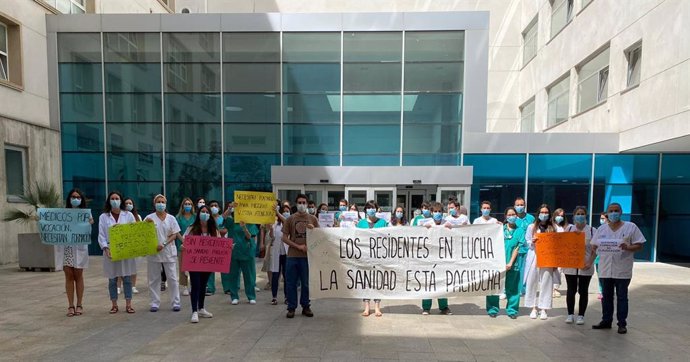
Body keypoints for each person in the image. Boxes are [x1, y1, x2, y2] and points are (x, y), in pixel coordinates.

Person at [591, 202, 646, 334]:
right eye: (611, 211)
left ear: (621, 213)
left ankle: (622, 324)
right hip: (605, 268)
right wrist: (595, 248)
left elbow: (639, 245)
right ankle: (606, 320)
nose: (614, 213)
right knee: (606, 296)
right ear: (607, 213)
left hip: (622, 269)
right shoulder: (602, 229)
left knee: (622, 297)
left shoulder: (630, 227)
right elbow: (594, 245)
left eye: (616, 210)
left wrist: (628, 247)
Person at [98, 191, 136, 314]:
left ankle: (128, 304)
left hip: (125, 249)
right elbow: (101, 235)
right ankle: (114, 304)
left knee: (127, 278)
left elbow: (134, 231)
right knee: (112, 279)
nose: (115, 200)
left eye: (117, 198)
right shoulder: (103, 217)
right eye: (112, 198)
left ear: (121, 200)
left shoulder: (128, 215)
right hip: (110, 250)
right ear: (109, 201)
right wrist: (105, 248)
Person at [282, 194, 319, 318]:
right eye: (299, 202)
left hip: (307, 257)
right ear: (296, 204)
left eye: (304, 202)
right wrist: (297, 246)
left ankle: (306, 306)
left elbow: (320, 237)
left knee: (306, 283)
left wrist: (313, 230)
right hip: (292, 256)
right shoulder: (290, 219)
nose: (301, 205)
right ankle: (291, 307)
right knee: (291, 282)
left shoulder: (313, 219)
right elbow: (284, 238)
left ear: (307, 204)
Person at [57, 188, 93, 317]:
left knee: (78, 275)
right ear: (69, 199)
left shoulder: (86, 214)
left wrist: (90, 223)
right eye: (73, 197)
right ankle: (70, 305)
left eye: (78, 197)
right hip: (67, 248)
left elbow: (88, 231)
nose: (75, 199)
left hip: (79, 248)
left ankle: (79, 304)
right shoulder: (63, 213)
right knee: (69, 276)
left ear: (81, 199)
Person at [144, 194, 181, 312]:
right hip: (153, 252)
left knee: (172, 278)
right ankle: (154, 302)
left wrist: (164, 244)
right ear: (154, 204)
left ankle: (176, 302)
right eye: (158, 202)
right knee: (154, 278)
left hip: (168, 251)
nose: (160, 204)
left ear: (166, 204)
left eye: (162, 202)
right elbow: (141, 234)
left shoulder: (171, 218)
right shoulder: (149, 218)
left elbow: (175, 234)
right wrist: (146, 225)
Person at [486, 207, 524, 319]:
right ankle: (492, 309)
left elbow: (518, 247)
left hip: (513, 264)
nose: (511, 217)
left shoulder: (520, 230)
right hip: (497, 263)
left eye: (513, 215)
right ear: (505, 217)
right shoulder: (500, 229)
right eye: (509, 215)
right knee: (494, 287)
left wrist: (510, 263)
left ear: (516, 216)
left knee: (512, 288)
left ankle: (512, 310)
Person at [183, 205, 217, 323]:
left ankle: (201, 308)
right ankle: (194, 311)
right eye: (202, 211)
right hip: (194, 262)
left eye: (207, 212)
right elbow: (185, 240)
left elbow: (218, 244)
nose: (205, 213)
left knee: (203, 285)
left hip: (207, 262)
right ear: (198, 214)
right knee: (196, 285)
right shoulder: (192, 228)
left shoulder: (213, 229)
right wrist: (184, 246)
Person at [563, 206, 597, 325]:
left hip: (586, 265)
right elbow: (562, 246)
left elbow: (595, 249)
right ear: (574, 216)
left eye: (582, 213)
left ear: (586, 215)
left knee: (583, 290)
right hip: (570, 266)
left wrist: (590, 262)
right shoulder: (569, 229)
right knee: (571, 290)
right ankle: (570, 314)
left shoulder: (592, 230)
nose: (580, 216)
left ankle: (581, 315)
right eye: (578, 213)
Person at [524, 204, 557, 320]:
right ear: (538, 214)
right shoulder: (531, 227)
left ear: (549, 214)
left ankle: (544, 308)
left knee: (546, 282)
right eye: (542, 212)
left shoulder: (553, 227)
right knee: (532, 281)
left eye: (546, 212)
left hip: (548, 258)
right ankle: (533, 307)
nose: (544, 215)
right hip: (534, 256)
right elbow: (527, 241)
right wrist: (532, 242)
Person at [356, 200, 388, 317]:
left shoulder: (383, 222)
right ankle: (366, 307)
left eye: (373, 207)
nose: (371, 210)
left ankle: (377, 307)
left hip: (379, 257)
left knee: (378, 281)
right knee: (365, 282)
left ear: (376, 209)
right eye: (369, 208)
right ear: (365, 210)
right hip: (364, 256)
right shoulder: (360, 223)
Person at [421, 202, 453, 315]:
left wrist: (452, 229)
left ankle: (444, 307)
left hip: (443, 258)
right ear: (431, 212)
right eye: (435, 211)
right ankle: (426, 307)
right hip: (429, 258)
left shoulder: (447, 223)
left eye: (439, 211)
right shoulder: (427, 224)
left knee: (442, 283)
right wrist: (424, 230)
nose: (437, 213)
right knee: (428, 282)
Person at [224, 206, 260, 305]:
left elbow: (250, 236)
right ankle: (234, 296)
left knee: (249, 275)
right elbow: (221, 220)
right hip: (234, 251)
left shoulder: (250, 222)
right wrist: (229, 209)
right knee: (233, 275)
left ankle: (251, 296)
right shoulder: (231, 221)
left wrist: (244, 227)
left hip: (247, 251)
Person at [118, 198, 142, 295]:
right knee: (120, 267)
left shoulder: (138, 217)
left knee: (133, 267)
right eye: (126, 203)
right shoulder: (120, 216)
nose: (128, 205)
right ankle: (118, 286)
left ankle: (133, 286)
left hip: (134, 246)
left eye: (130, 203)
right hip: (122, 245)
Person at [269, 206, 289, 305]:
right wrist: (271, 229)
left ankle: (286, 297)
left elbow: (286, 221)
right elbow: (271, 237)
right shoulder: (274, 223)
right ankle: (274, 297)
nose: (286, 213)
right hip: (276, 252)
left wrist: (278, 212)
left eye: (287, 211)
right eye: (284, 211)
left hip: (286, 252)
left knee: (286, 275)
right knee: (275, 275)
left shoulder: (289, 222)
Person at [175, 197, 196, 296]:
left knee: (193, 266)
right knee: (183, 266)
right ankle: (184, 286)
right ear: (182, 206)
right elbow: (176, 231)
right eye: (186, 204)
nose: (188, 206)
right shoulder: (178, 217)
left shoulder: (195, 217)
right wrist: (183, 241)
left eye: (190, 204)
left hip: (194, 246)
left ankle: (193, 285)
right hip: (182, 245)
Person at [206, 200, 226, 295]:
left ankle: (227, 288)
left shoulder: (223, 218)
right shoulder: (207, 219)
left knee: (224, 267)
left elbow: (226, 230)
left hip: (223, 244)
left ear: (219, 208)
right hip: (210, 245)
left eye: (216, 205)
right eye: (212, 205)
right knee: (210, 267)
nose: (214, 207)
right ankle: (210, 288)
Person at [552, 208, 569, 298]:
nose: (560, 217)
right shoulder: (551, 226)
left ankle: (556, 288)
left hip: (561, 252)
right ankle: (551, 288)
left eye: (562, 216)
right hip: (552, 252)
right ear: (554, 216)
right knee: (551, 270)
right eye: (558, 215)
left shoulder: (565, 227)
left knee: (559, 270)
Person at [595, 212, 609, 300]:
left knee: (606, 275)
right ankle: (601, 291)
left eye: (603, 218)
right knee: (600, 275)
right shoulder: (599, 229)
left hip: (606, 257)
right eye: (601, 218)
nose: (601, 220)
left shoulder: (611, 230)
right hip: (598, 258)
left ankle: (606, 290)